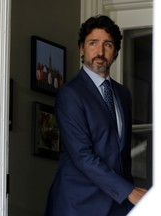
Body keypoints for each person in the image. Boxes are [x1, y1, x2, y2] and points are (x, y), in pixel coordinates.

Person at [45, 15, 147, 216]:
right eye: (93, 43)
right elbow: (83, 156)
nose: (100, 52)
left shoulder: (123, 94)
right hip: (78, 205)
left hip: (117, 206)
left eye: (107, 45)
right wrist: (129, 192)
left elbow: (122, 157)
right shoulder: (70, 94)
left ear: (116, 51)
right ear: (82, 48)